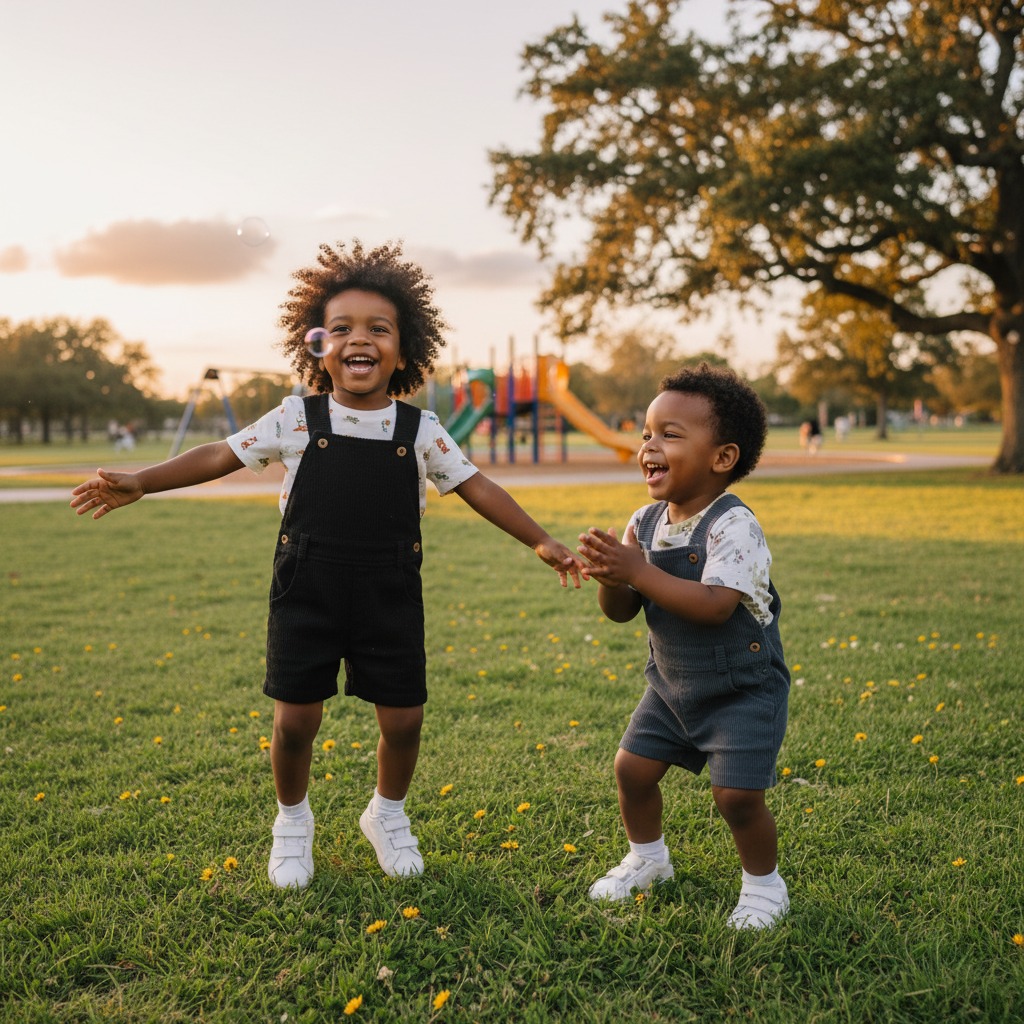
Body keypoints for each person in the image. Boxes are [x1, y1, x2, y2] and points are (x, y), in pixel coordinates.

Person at [71, 240, 584, 891]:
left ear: (404, 347)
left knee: (404, 720)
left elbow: (478, 486)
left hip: (389, 589)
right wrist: (144, 479)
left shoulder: (420, 429)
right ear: (317, 345)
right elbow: (218, 454)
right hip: (307, 586)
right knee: (295, 721)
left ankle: (386, 815)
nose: (358, 340)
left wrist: (539, 540)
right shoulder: (295, 417)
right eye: (340, 328)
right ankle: (292, 824)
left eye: (378, 328)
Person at [576, 363, 791, 930]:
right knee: (632, 770)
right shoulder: (643, 523)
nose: (650, 445)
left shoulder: (733, 525)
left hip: (742, 689)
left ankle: (765, 886)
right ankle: (649, 860)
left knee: (736, 797)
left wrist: (638, 572)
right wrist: (614, 578)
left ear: (722, 457)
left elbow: (715, 605)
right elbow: (623, 613)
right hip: (671, 687)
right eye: (647, 432)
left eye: (670, 435)